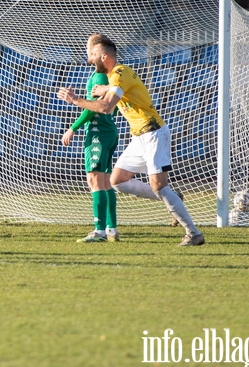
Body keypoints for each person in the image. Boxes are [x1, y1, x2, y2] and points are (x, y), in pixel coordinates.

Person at [57, 36, 205, 246]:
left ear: (104, 57)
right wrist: (105, 89)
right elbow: (125, 90)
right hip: (139, 137)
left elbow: (106, 108)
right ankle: (173, 198)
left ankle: (193, 233)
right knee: (117, 180)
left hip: (153, 133)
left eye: (93, 55)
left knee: (159, 186)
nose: (90, 59)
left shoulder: (119, 73)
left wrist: (74, 100)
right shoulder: (116, 76)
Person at [58, 33, 119, 243]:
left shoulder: (99, 77)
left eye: (90, 50)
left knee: (95, 180)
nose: (88, 53)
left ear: (96, 52)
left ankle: (99, 231)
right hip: (107, 132)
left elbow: (94, 109)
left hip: (98, 133)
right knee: (105, 181)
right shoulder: (103, 76)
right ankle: (111, 229)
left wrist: (72, 128)